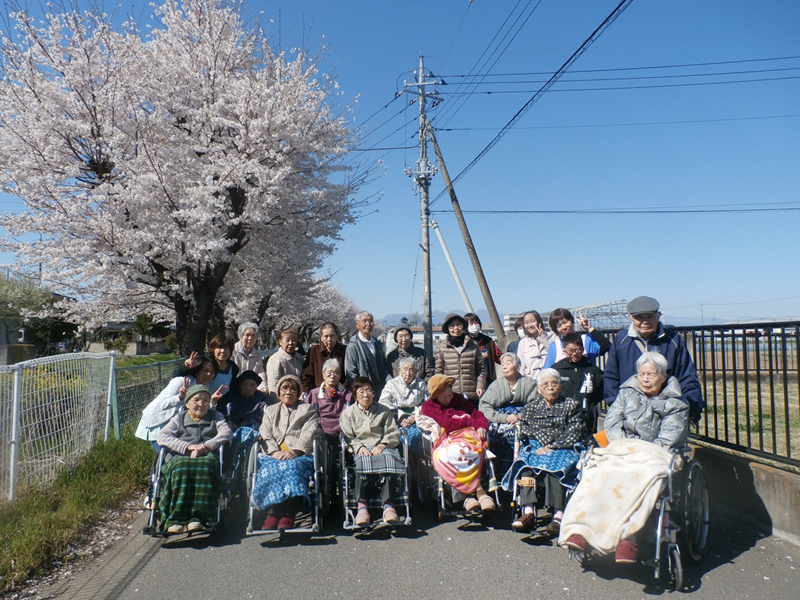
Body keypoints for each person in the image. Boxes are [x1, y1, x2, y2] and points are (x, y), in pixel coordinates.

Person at [560, 352, 689, 563]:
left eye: (651, 374)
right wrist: (624, 446)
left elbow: (668, 438)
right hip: (622, 449)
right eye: (642, 374)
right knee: (596, 471)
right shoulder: (627, 392)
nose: (645, 379)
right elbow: (612, 422)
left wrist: (636, 452)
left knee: (640, 478)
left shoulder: (676, 404)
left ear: (664, 376)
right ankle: (581, 530)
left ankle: (628, 538)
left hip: (654, 455)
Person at [503, 369, 585, 533]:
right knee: (525, 467)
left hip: (563, 447)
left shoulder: (571, 405)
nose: (550, 387)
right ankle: (528, 512)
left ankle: (558, 515)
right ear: (539, 389)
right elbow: (525, 428)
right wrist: (542, 442)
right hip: (536, 447)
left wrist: (552, 446)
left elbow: (575, 431)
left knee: (554, 467)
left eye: (554, 383)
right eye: (545, 384)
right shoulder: (531, 407)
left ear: (560, 387)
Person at [603, 296, 704, 418]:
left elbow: (687, 376)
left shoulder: (673, 340)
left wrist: (690, 408)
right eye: (639, 317)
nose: (645, 321)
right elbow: (611, 375)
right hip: (628, 411)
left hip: (665, 411)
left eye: (650, 316)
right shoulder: (622, 339)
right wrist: (616, 406)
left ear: (658, 316)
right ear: (630, 317)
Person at [155, 384, 233, 534]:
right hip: (181, 456)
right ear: (187, 403)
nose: (201, 404)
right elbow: (162, 437)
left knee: (206, 465)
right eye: (196, 400)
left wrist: (206, 446)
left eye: (205, 400)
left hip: (207, 455)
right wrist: (189, 447)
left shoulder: (216, 416)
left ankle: (199, 518)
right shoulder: (179, 418)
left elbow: (226, 434)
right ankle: (175, 519)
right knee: (181, 466)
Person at [420, 374, 495, 514]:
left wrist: (480, 426)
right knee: (450, 455)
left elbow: (476, 414)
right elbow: (446, 424)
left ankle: (475, 493)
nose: (449, 399)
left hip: (468, 436)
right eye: (444, 397)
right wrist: (466, 419)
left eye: (450, 394)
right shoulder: (428, 407)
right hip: (446, 439)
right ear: (435, 396)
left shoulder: (458, 398)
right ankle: (472, 493)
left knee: (470, 451)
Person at [252, 375, 320, 531]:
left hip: (299, 455)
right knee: (270, 469)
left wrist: (295, 451)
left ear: (298, 392)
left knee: (291, 468)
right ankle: (272, 513)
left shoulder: (307, 409)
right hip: (273, 454)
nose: (288, 392)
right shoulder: (270, 410)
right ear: (279, 392)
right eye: (285, 388)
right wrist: (274, 452)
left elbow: (309, 432)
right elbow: (265, 433)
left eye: (293, 388)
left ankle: (289, 513)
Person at [340, 377, 404, 526]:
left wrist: (383, 445)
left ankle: (388, 506)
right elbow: (348, 437)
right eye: (361, 391)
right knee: (363, 461)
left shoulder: (384, 411)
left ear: (374, 393)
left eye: (368, 390)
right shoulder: (348, 413)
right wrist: (360, 447)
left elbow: (393, 432)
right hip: (361, 448)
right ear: (355, 395)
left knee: (389, 459)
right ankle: (362, 507)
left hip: (382, 446)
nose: (365, 394)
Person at [136, 355, 226, 451]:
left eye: (212, 372)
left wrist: (212, 401)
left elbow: (201, 410)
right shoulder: (181, 381)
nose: (209, 374)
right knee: (166, 456)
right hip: (158, 423)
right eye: (205, 371)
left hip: (176, 426)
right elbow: (161, 405)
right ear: (197, 371)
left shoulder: (208, 387)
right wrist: (179, 397)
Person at [479, 352, 537, 465]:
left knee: (521, 432)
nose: (504, 366)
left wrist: (520, 416)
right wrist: (503, 418)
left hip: (523, 418)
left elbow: (536, 405)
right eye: (502, 364)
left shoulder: (529, 383)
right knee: (495, 432)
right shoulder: (496, 385)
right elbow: (484, 406)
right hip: (501, 419)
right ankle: (500, 467)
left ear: (518, 367)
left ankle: (523, 465)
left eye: (508, 363)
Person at [551, 333, 604, 433]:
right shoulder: (556, 369)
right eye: (570, 351)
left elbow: (603, 387)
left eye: (577, 350)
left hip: (585, 418)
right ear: (564, 351)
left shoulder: (591, 369)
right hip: (561, 418)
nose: (574, 354)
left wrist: (590, 402)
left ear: (583, 350)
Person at [379, 356, 428, 455]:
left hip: (417, 418)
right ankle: (405, 460)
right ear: (399, 370)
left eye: (411, 370)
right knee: (403, 436)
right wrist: (400, 417)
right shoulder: (391, 384)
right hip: (396, 419)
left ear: (415, 371)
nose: (408, 373)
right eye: (405, 370)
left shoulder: (421, 384)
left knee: (424, 435)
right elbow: (383, 403)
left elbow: (427, 403)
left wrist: (415, 415)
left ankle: (420, 460)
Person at [434, 313, 486, 405]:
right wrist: (441, 391)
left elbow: (480, 369)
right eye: (452, 326)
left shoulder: (473, 345)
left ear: (463, 326)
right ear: (448, 329)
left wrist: (480, 386)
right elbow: (439, 372)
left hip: (471, 394)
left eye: (458, 324)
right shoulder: (442, 347)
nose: (456, 328)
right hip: (450, 395)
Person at [180, 333, 238, 412]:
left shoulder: (233, 368)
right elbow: (178, 376)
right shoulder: (204, 363)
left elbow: (231, 390)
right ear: (212, 349)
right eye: (219, 347)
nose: (223, 351)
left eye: (226, 348)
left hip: (218, 408)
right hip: (195, 406)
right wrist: (186, 367)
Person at [543, 308, 611, 368]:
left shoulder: (586, 340)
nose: (564, 327)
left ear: (572, 321)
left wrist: (590, 329)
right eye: (559, 326)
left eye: (565, 322)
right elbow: (547, 372)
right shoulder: (555, 347)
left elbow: (607, 346)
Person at [344, 311, 390, 394]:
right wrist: (360, 391)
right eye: (364, 321)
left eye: (371, 321)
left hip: (381, 391)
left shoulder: (377, 343)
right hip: (364, 393)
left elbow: (384, 366)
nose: (368, 324)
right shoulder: (353, 346)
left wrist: (390, 381)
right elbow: (351, 372)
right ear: (357, 324)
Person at [307, 359, 353, 441]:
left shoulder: (348, 393)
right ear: (323, 375)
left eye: (335, 372)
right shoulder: (314, 393)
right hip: (321, 431)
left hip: (342, 430)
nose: (332, 375)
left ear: (339, 376)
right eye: (329, 373)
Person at [301, 322, 347, 393]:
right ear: (321, 337)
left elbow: (349, 374)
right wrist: (304, 392)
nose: (329, 339)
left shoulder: (345, 350)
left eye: (332, 336)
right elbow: (307, 375)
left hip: (341, 393)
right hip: (318, 394)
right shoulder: (314, 351)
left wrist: (344, 391)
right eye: (326, 336)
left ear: (337, 336)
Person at [266, 328, 304, 402]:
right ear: (280, 342)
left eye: (293, 340)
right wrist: (277, 404)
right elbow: (273, 385)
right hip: (282, 401)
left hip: (297, 399)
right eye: (287, 340)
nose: (290, 343)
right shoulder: (275, 359)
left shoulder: (299, 358)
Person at [517, 310, 557, 380]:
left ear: (539, 322)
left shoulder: (552, 336)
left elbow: (555, 354)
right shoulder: (522, 343)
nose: (529, 325)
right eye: (526, 323)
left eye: (532, 321)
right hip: (530, 381)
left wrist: (543, 338)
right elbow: (521, 367)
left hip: (549, 380)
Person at [464, 312, 503, 384]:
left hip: (487, 378)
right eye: (471, 324)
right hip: (468, 381)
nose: (475, 326)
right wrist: (477, 355)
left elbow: (498, 356)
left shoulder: (487, 341)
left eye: (476, 323)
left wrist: (508, 359)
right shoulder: (462, 341)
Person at [232, 322, 267, 391]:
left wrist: (263, 388)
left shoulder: (258, 354)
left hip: (252, 389)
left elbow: (260, 373)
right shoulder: (232, 351)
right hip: (234, 388)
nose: (250, 338)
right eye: (247, 335)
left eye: (253, 335)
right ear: (241, 336)